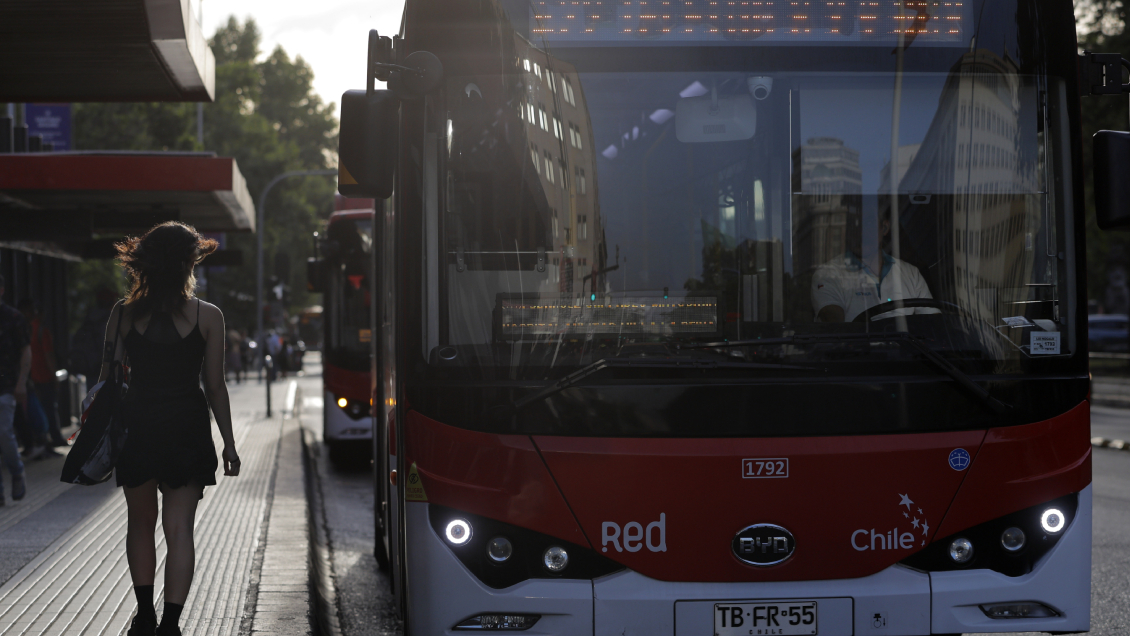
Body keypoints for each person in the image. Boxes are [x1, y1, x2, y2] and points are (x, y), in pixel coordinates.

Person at [99, 222, 241, 636]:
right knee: (179, 530)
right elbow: (215, 386)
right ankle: (171, 625)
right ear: (186, 265)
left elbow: (107, 378)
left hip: (138, 425)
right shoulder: (208, 316)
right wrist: (229, 444)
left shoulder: (123, 314)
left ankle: (145, 616)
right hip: (186, 427)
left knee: (140, 523)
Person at [811, 212, 935, 322]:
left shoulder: (911, 274)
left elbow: (933, 324)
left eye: (868, 223)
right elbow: (834, 328)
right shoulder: (828, 274)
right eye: (853, 224)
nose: (860, 232)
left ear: (884, 228)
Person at [19, 299, 67, 447]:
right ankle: (55, 438)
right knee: (50, 409)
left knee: (36, 411)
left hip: (31, 377)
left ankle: (42, 440)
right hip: (45, 377)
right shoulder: (42, 331)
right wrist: (55, 376)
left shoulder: (27, 330)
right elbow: (49, 355)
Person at [0, 274, 29, 506]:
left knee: (4, 432)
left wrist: (21, 383)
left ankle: (17, 470)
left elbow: (25, 350)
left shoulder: (14, 317)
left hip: (7, 386)